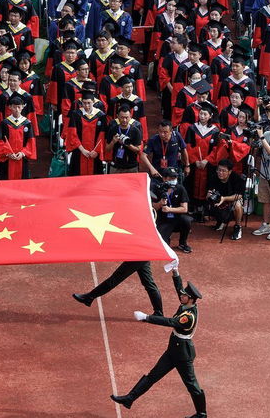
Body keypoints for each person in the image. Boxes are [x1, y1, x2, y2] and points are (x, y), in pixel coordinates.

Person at [111, 267, 206, 418]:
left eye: (185, 295)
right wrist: (176, 273)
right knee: (153, 376)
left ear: (191, 299)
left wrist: (147, 317)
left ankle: (201, 414)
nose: (182, 296)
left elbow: (170, 321)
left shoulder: (188, 316)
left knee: (192, 385)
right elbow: (179, 289)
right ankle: (130, 398)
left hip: (183, 355)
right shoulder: (187, 304)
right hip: (173, 350)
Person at [72, 259, 164, 316]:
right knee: (148, 283)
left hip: (139, 255)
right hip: (142, 253)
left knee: (115, 278)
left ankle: (89, 297)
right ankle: (158, 312)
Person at [205, 158, 246, 240]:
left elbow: (239, 195)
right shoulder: (213, 177)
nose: (220, 173)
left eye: (224, 171)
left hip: (232, 199)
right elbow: (208, 193)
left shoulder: (236, 178)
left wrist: (224, 198)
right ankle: (221, 221)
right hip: (219, 200)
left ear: (229, 172)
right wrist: (209, 196)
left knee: (237, 205)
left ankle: (237, 226)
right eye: (219, 170)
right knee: (211, 201)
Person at [156, 167, 193, 253]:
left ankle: (183, 243)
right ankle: (166, 238)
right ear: (164, 178)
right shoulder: (158, 188)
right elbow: (153, 207)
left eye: (175, 178)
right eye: (171, 178)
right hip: (163, 220)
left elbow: (184, 209)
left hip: (177, 219)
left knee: (187, 220)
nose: (173, 180)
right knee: (163, 247)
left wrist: (169, 209)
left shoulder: (180, 189)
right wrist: (160, 203)